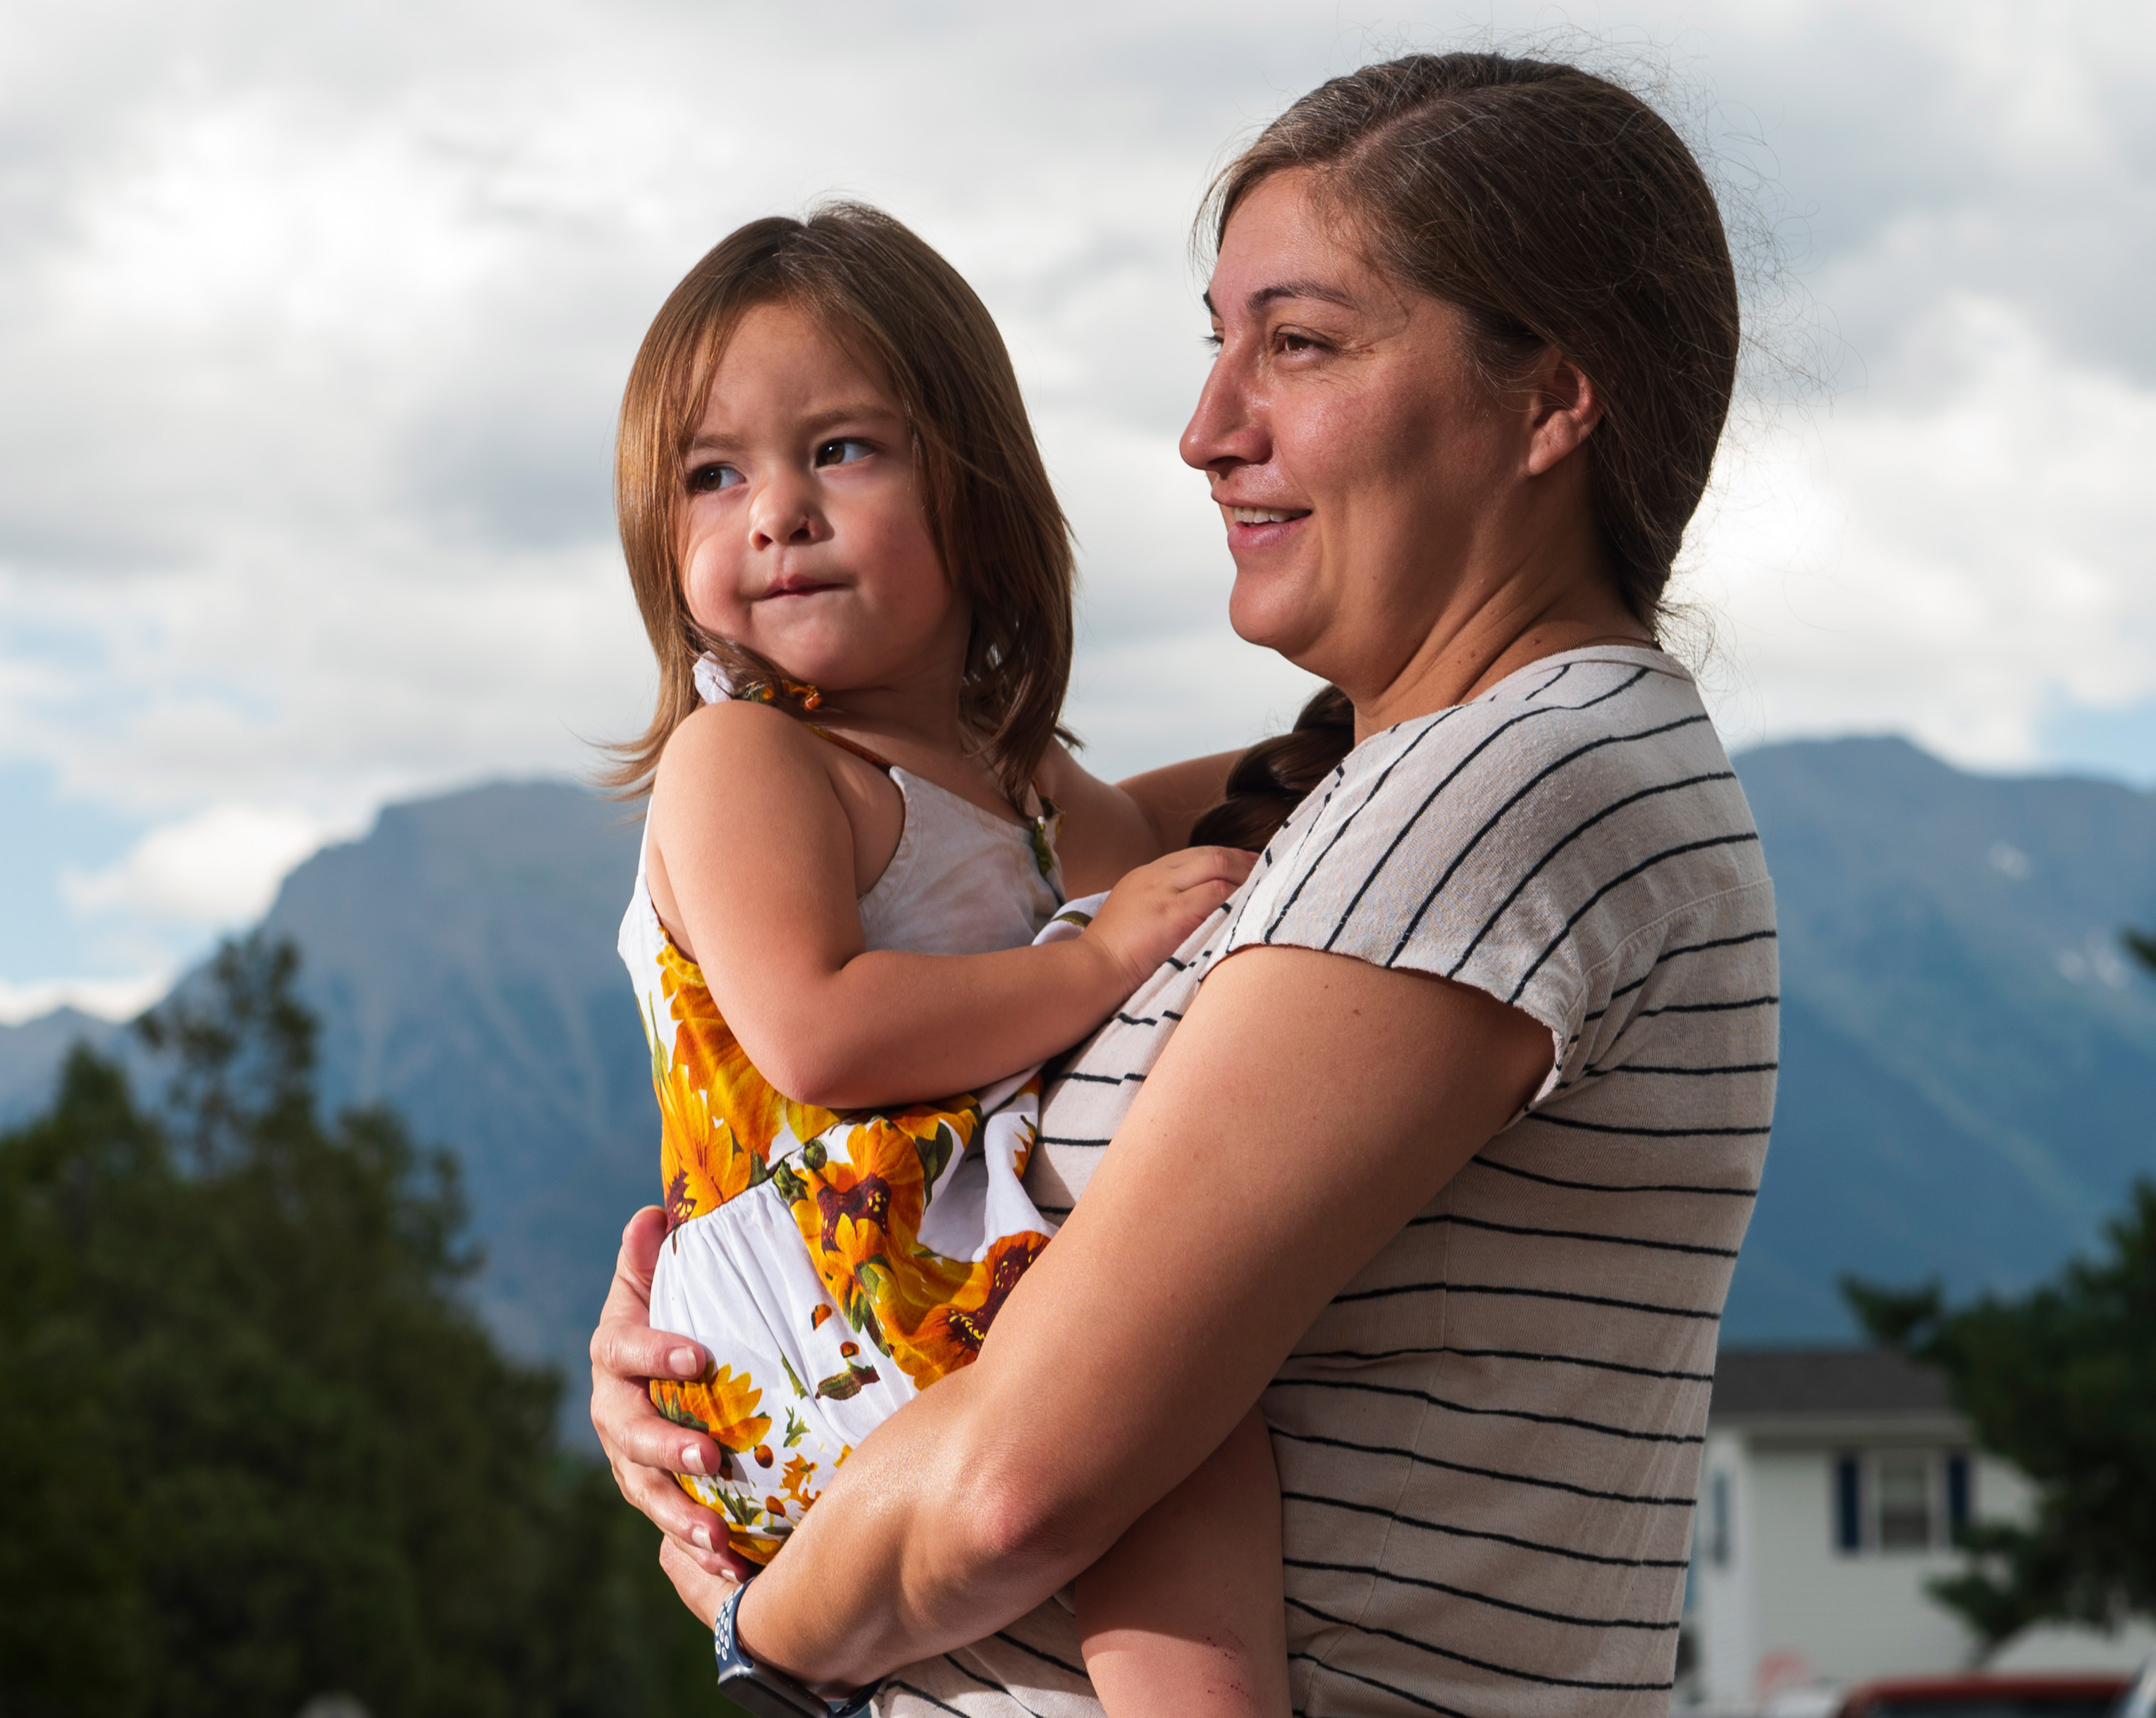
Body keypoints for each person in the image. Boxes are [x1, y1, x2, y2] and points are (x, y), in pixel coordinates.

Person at [591, 51, 1776, 1718]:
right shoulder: (1393, 795)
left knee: (1177, 1462)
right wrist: (710, 1329)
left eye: (1293, 343)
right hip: (831, 1348)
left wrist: (768, 1639)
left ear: (1546, 400)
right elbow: (844, 1033)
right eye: (1213, 345)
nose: (1205, 431)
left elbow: (1014, 1488)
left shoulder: (1496, 787)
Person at [600, 205, 1307, 1713]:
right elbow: (818, 1031)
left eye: (839, 451)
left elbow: (1150, 838)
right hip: (812, 1311)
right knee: (1168, 1417)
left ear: (975, 493)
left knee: (1172, 1417)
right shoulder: (747, 765)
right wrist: (1095, 958)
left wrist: (1349, 740)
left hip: (925, 1292)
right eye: (712, 475)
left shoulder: (1015, 772)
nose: (774, 512)